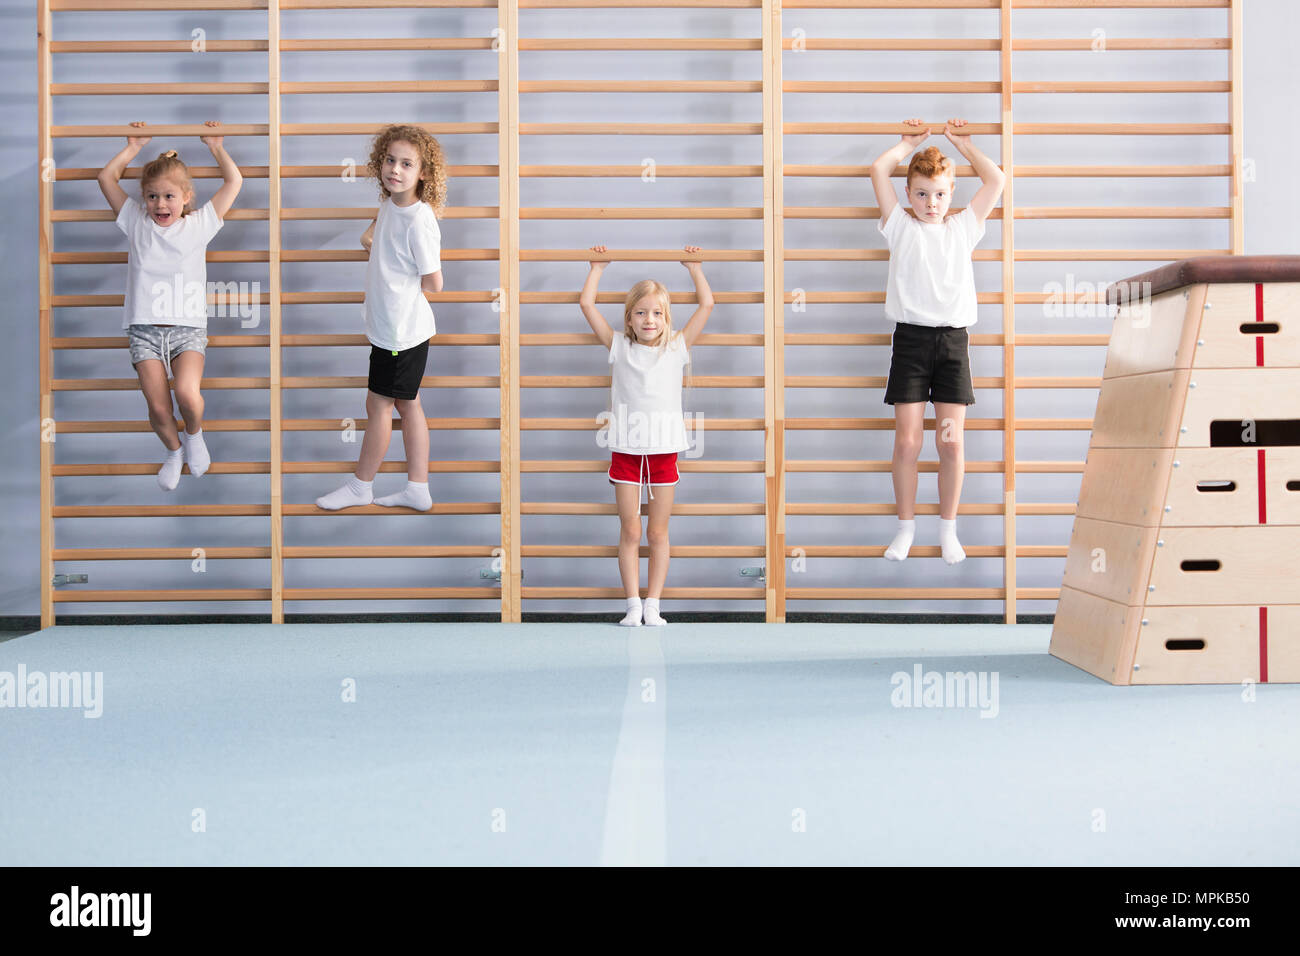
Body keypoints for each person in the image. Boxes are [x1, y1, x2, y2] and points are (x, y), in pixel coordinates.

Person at [869, 117, 1005, 564]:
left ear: (952, 195)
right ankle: (905, 526)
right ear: (909, 193)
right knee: (908, 443)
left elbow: (996, 179)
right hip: (910, 345)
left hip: (951, 345)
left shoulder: (963, 228)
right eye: (923, 193)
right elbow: (877, 170)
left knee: (950, 442)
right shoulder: (899, 227)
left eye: (941, 194)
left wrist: (962, 145)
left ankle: (948, 528)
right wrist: (905, 145)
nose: (931, 203)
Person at [97, 120, 242, 490]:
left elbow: (234, 183)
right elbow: (106, 179)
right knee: (159, 408)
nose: (161, 204)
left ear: (187, 197)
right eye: (153, 196)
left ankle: (194, 435)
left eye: (169, 196)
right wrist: (133, 146)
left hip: (188, 329)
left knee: (188, 395)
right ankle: (174, 451)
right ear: (144, 198)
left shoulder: (199, 225)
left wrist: (215, 146)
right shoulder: (135, 220)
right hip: (144, 330)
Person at [580, 245, 714, 626]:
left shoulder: (676, 348)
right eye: (641, 312)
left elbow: (706, 305)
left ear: (666, 318)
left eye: (656, 313)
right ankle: (633, 604)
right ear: (630, 318)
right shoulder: (619, 346)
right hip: (625, 448)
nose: (649, 319)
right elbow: (587, 305)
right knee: (631, 529)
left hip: (663, 451)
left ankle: (653, 603)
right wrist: (597, 268)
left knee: (657, 532)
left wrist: (695, 268)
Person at [316, 125, 446, 512]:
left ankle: (364, 485)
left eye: (407, 164)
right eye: (390, 160)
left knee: (382, 407)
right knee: (404, 405)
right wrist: (375, 247)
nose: (396, 169)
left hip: (401, 333)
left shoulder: (419, 219)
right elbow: (379, 239)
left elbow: (435, 283)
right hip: (392, 331)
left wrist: (400, 273)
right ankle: (415, 486)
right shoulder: (391, 205)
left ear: (423, 173)